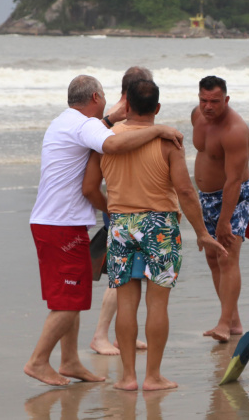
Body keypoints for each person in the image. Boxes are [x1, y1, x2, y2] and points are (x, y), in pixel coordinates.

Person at [25, 74, 184, 387]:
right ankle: (38, 361)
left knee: (73, 296)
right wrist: (159, 129)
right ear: (96, 98)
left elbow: (106, 129)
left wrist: (114, 117)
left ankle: (70, 361)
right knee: (70, 301)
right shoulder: (88, 128)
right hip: (62, 224)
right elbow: (111, 143)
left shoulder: (66, 120)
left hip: (55, 221)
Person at [81, 79, 227, 391]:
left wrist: (115, 210)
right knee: (157, 304)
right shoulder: (167, 142)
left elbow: (89, 188)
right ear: (157, 109)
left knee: (126, 301)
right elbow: (186, 191)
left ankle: (128, 377)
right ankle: (153, 377)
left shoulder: (105, 139)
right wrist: (202, 233)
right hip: (160, 226)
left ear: (127, 106)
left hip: (121, 225)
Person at [90, 66, 153, 356]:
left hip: (126, 204)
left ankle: (122, 334)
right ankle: (101, 335)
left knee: (132, 276)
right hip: (120, 205)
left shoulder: (130, 115)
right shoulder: (119, 117)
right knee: (120, 276)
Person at [191, 75, 249, 342]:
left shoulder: (236, 131)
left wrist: (225, 221)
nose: (208, 106)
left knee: (227, 257)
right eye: (204, 100)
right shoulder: (197, 116)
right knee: (211, 258)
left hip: (234, 197)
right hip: (205, 198)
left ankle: (223, 324)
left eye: (215, 101)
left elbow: (234, 180)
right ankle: (234, 321)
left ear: (226, 100)